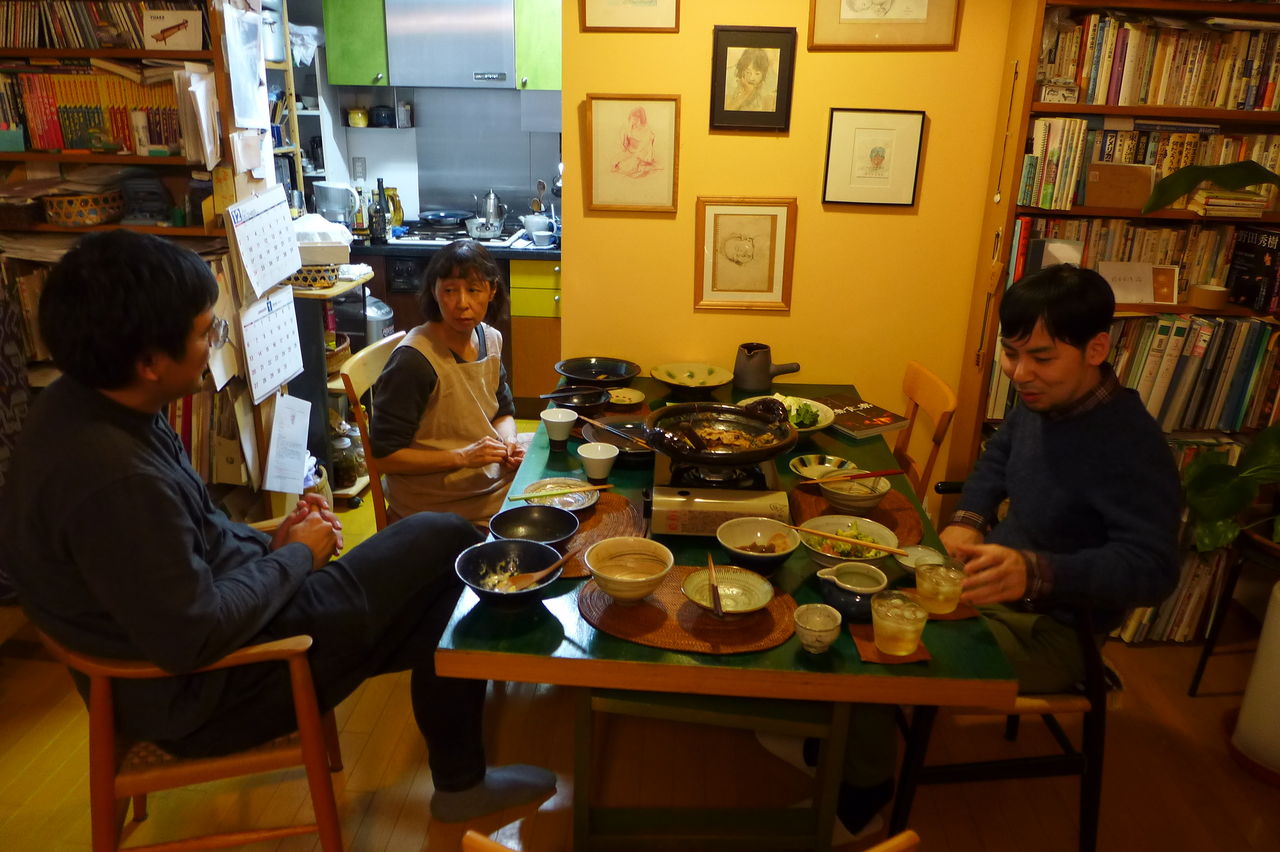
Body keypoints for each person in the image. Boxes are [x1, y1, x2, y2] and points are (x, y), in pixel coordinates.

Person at [0, 231, 554, 824]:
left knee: (448, 590)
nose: (216, 343)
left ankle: (461, 784)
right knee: (444, 543)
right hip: (213, 693)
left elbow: (196, 540)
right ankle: (481, 744)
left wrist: (272, 538)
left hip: (238, 620)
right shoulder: (113, 479)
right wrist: (297, 557)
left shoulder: (100, 404)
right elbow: (194, 636)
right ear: (149, 362)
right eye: (206, 333)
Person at [761, 263, 1181, 839]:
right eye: (1012, 354)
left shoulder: (1131, 444)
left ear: (1096, 349)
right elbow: (999, 456)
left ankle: (860, 800)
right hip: (984, 581)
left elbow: (1154, 570)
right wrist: (968, 520)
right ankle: (831, 744)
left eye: (1041, 357)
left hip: (1056, 630)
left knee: (874, 641)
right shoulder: (1042, 400)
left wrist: (1037, 571)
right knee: (844, 583)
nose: (1021, 373)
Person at [369, 240, 524, 525]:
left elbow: (502, 411)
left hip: (483, 477)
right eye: (450, 290)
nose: (462, 303)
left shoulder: (490, 338)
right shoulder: (414, 361)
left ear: (492, 291)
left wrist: (509, 442)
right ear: (434, 292)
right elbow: (383, 458)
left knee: (547, 465)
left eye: (473, 290)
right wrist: (463, 457)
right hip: (436, 498)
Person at [726, 47, 776, 112]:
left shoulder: (766, 92)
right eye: (748, 72)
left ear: (763, 75)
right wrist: (746, 93)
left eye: (757, 74)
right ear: (742, 71)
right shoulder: (735, 86)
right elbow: (727, 109)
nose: (752, 78)